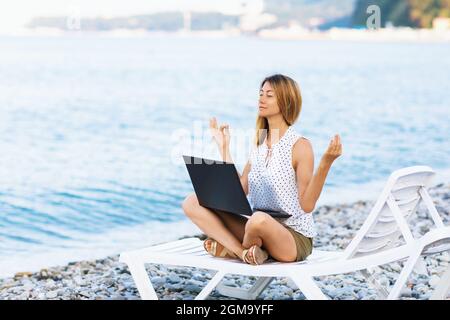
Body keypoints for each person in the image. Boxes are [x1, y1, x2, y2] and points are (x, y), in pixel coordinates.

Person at [182, 74, 342, 265]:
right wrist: (224, 148)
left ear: (285, 101)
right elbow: (239, 191)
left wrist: (326, 164)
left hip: (291, 238)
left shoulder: (300, 146)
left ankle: (237, 249)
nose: (261, 99)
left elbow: (307, 205)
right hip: (255, 230)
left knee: (259, 219)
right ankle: (242, 252)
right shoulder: (260, 144)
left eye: (269, 95)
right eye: (260, 93)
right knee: (192, 202)